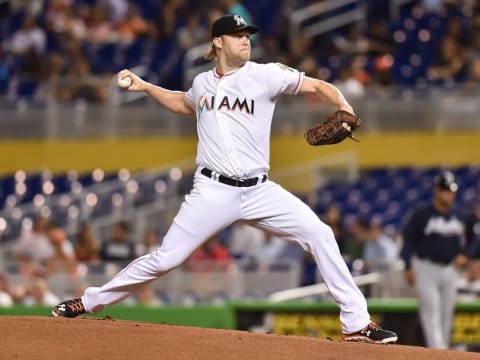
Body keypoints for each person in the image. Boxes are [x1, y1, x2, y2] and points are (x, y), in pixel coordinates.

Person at [51, 14, 397, 344]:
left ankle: (356, 323)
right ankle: (89, 301)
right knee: (166, 258)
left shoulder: (266, 75)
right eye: (238, 36)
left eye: (248, 36)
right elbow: (183, 103)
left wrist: (345, 106)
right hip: (212, 191)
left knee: (320, 234)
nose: (246, 41)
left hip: (259, 190)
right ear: (218, 42)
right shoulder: (201, 83)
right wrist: (145, 87)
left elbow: (319, 85)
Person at [400, 170, 467, 349]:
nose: (449, 194)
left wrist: (465, 254)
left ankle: (442, 350)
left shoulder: (460, 216)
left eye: (452, 191)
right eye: (445, 190)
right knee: (431, 309)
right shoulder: (422, 215)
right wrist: (407, 266)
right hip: (425, 266)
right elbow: (408, 240)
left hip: (450, 268)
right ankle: (437, 351)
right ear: (437, 191)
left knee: (447, 313)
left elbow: (472, 238)